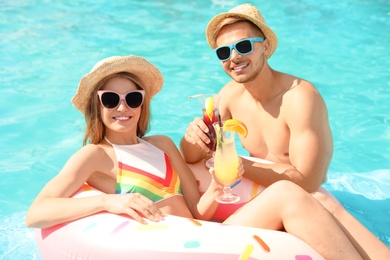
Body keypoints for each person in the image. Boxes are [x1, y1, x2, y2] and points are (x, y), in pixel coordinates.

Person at [25, 55, 364, 259]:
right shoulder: (96, 156)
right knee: (289, 193)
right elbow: (38, 213)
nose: (123, 107)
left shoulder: (162, 145)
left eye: (133, 97)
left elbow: (197, 211)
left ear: (144, 102)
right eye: (111, 98)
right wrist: (108, 203)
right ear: (97, 107)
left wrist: (217, 188)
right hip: (168, 247)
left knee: (312, 198)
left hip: (206, 233)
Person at [180, 4, 390, 259]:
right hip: (272, 198)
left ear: (265, 47)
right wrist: (192, 137)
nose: (234, 57)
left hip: (300, 197)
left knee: (322, 202)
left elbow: (308, 182)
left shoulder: (299, 97)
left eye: (244, 46)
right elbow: (194, 156)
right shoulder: (229, 96)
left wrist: (237, 163)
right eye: (224, 52)